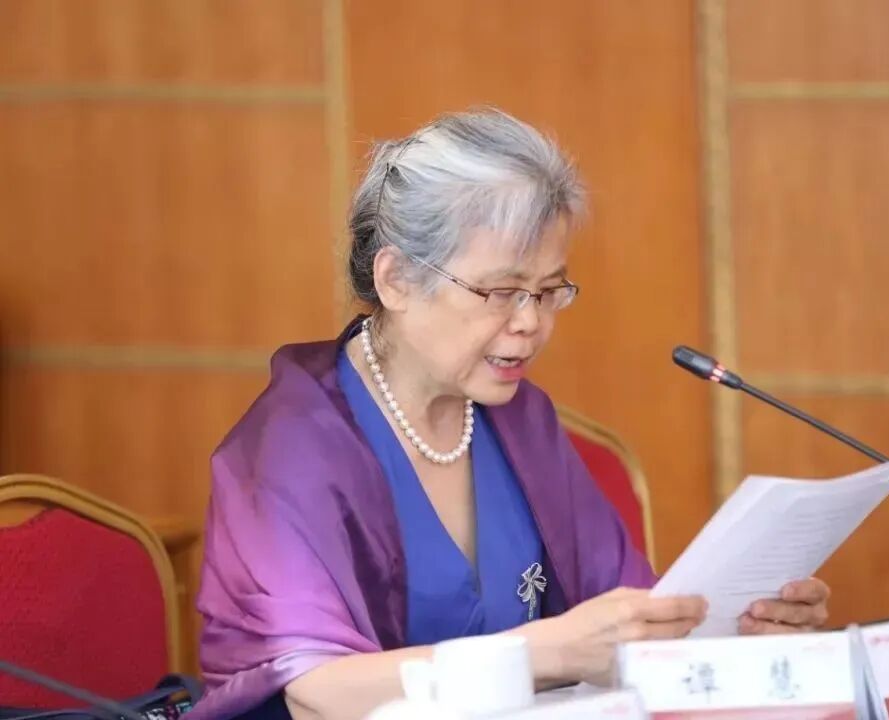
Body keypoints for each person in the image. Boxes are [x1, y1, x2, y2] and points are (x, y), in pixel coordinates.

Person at [188, 109, 831, 720]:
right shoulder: (288, 449)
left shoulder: (521, 421)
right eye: (501, 292)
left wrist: (735, 631)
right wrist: (544, 654)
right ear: (396, 280)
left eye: (549, 292)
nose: (531, 323)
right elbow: (316, 693)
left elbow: (626, 621)